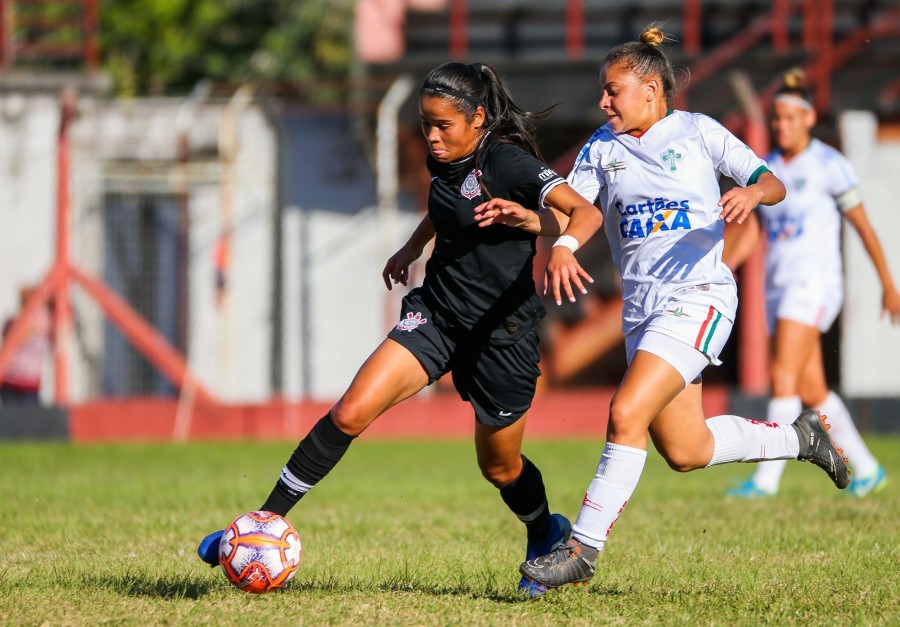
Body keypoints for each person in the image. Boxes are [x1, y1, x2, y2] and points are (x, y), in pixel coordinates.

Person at [196, 61, 603, 597]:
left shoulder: (508, 162)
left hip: (502, 334)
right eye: (425, 124)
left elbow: (584, 212)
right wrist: (412, 248)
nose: (432, 137)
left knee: (500, 469)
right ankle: (261, 524)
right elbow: (446, 204)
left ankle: (544, 532)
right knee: (351, 410)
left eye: (443, 126)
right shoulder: (447, 159)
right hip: (437, 314)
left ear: (478, 117)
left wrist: (558, 243)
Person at [475, 26, 849, 590]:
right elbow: (572, 213)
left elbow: (771, 182)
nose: (603, 102)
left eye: (613, 90)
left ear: (651, 88)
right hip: (642, 311)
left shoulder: (698, 132)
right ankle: (802, 437)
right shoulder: (603, 146)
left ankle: (582, 548)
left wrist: (749, 193)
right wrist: (528, 220)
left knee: (626, 412)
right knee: (685, 448)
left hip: (700, 298)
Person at [723, 69, 900, 499]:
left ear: (808, 118)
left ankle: (765, 481)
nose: (781, 125)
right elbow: (756, 233)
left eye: (790, 117)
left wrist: (887, 283)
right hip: (779, 287)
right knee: (812, 388)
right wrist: (723, 265)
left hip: (814, 285)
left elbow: (863, 227)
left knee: (782, 375)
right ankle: (868, 470)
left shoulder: (829, 164)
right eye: (777, 118)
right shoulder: (771, 172)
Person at [0, 286, 51, 406]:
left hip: (29, 384)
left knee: (32, 420)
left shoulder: (43, 321)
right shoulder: (12, 321)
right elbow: (11, 337)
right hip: (9, 382)